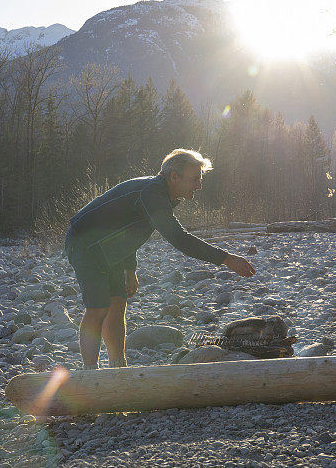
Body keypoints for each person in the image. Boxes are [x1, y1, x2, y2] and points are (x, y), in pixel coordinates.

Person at [65, 149, 256, 369]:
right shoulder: (152, 193)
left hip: (110, 248)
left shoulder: (162, 193)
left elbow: (126, 229)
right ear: (174, 176)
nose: (199, 186)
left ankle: (118, 369)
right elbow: (178, 238)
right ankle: (91, 376)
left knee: (117, 305)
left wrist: (130, 269)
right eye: (195, 179)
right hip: (85, 244)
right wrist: (226, 259)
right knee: (97, 309)